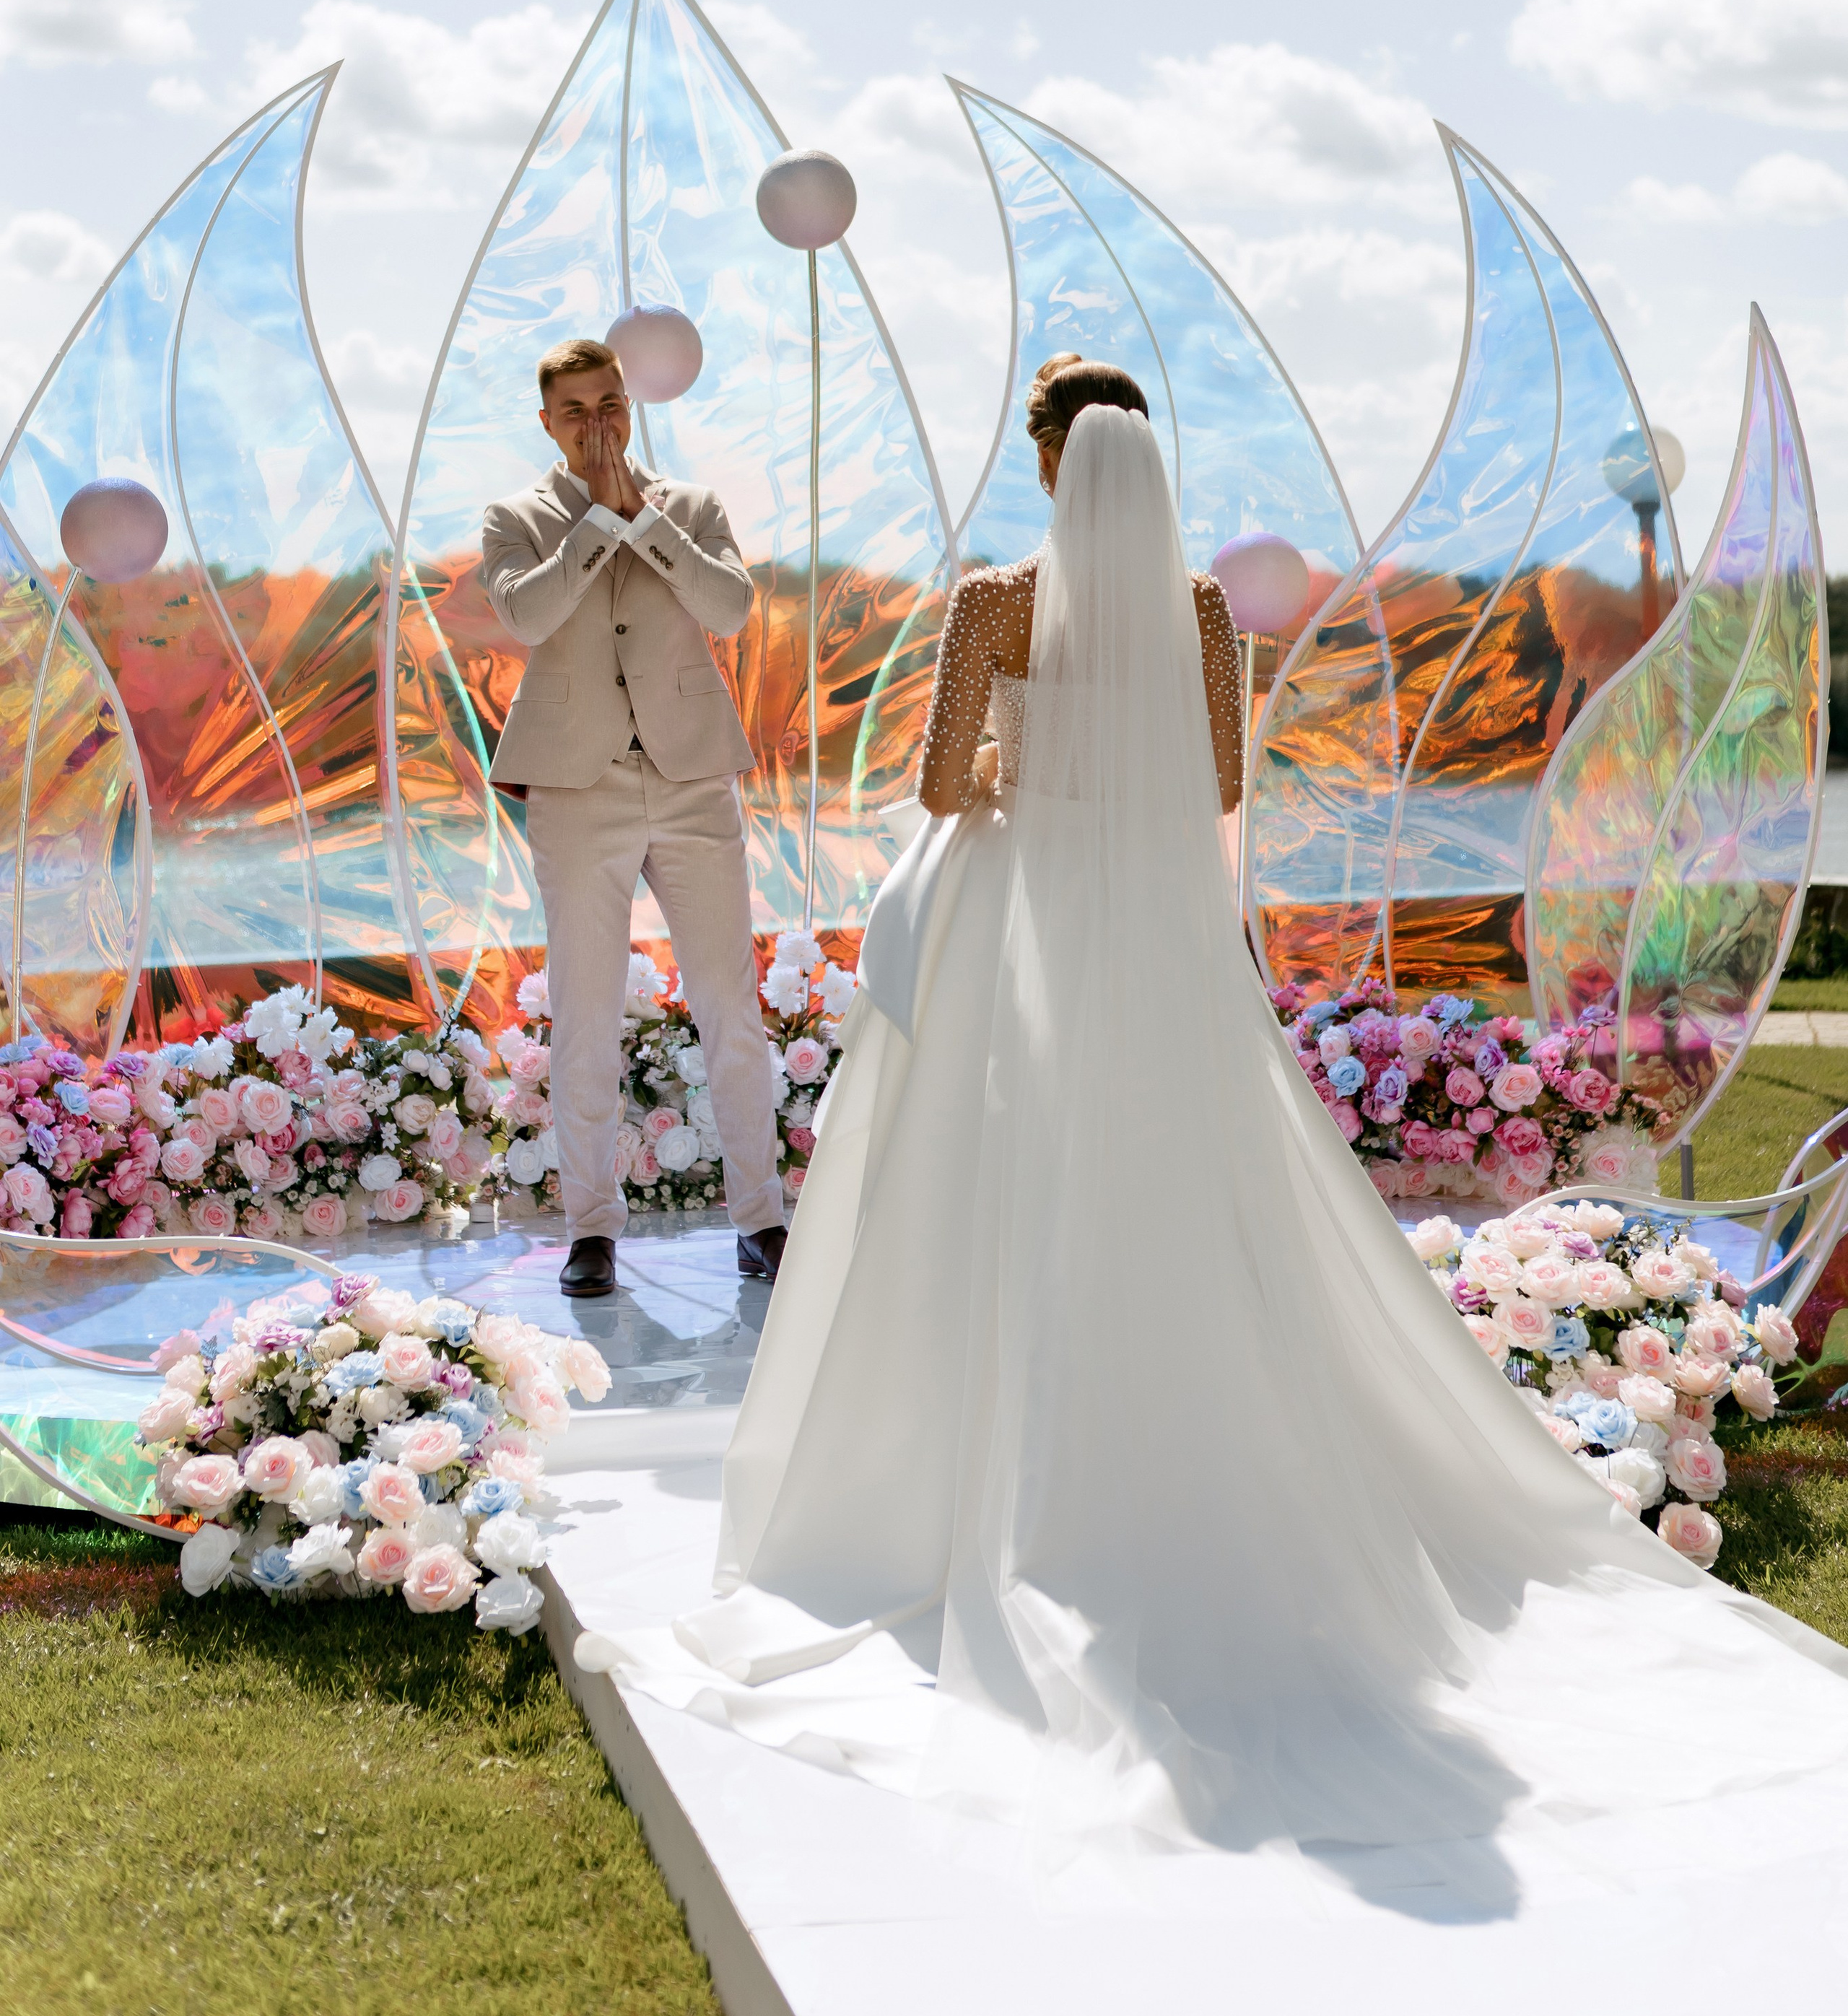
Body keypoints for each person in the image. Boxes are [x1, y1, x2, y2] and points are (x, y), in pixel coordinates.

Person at [591, 360, 1848, 1871]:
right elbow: (1214, 779)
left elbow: (941, 784)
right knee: (1183, 1189)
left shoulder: (992, 600)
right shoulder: (1195, 612)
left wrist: (1023, 762)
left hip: (1020, 928)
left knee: (979, 1187)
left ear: (1051, 461)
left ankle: (958, 1482)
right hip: (1152, 940)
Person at [481, 336, 786, 1299]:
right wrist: (594, 528)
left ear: (630, 403)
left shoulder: (689, 506)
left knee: (730, 1005)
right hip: (578, 788)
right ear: (547, 422)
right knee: (582, 1012)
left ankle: (762, 1216)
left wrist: (642, 520)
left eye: (609, 403)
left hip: (693, 778)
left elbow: (730, 604)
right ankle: (591, 1229)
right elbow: (526, 615)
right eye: (575, 410)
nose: (597, 424)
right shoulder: (515, 517)